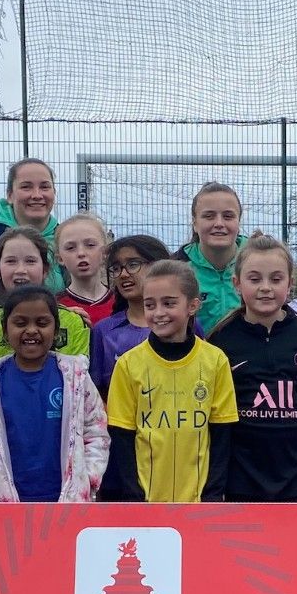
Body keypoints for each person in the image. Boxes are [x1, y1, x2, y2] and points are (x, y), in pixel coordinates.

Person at [102, 259, 237, 502]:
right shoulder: (128, 364)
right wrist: (134, 494)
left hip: (199, 502)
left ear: (193, 305)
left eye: (169, 303)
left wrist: (213, 494)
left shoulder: (215, 361)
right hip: (145, 500)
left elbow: (221, 433)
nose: (158, 313)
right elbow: (122, 436)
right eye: (150, 305)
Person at [209, 234, 297, 504]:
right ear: (237, 283)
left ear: (290, 283)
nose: (265, 287)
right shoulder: (220, 341)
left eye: (276, 279)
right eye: (255, 279)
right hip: (242, 473)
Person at [0, 286, 110, 502]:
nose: (31, 330)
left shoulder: (76, 378)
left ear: (56, 330)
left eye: (42, 323)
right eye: (20, 323)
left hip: (69, 503)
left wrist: (87, 480)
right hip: (7, 506)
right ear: (4, 330)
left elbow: (96, 432)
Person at [0, 227, 91, 366]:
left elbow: (78, 381)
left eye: (30, 261)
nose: (20, 270)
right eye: (11, 261)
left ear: (45, 270)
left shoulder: (73, 322)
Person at [0, 158, 62, 314]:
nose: (37, 195)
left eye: (44, 187)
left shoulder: (69, 243)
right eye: (26, 187)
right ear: (9, 195)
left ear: (54, 193)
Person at [89, 234, 174, 399]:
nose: (123, 274)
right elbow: (96, 392)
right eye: (116, 268)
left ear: (159, 266)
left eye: (133, 264)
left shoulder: (184, 322)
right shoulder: (104, 331)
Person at [177, 181, 246, 329]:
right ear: (195, 223)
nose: (219, 223)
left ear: (239, 222)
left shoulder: (258, 260)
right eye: (209, 216)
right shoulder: (178, 268)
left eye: (228, 216)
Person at [55, 213, 118, 325]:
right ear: (60, 258)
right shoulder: (55, 307)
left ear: (105, 252)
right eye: (70, 248)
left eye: (90, 245)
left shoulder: (122, 304)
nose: (81, 253)